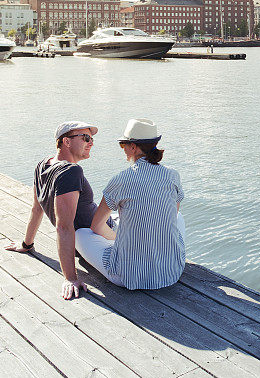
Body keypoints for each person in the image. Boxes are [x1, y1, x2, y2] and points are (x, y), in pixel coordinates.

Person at [75, 118, 186, 290]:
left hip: (128, 275)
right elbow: (171, 216)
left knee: (80, 234)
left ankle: (122, 243)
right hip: (171, 271)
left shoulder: (121, 179)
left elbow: (96, 226)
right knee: (178, 217)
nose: (123, 150)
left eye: (123, 145)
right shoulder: (173, 175)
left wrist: (118, 241)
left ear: (133, 147)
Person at [5, 121, 100, 300]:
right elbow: (63, 227)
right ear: (67, 141)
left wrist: (27, 244)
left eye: (92, 138)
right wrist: (70, 278)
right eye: (86, 138)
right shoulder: (71, 171)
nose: (91, 142)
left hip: (88, 236)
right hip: (98, 235)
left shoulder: (43, 165)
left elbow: (36, 208)